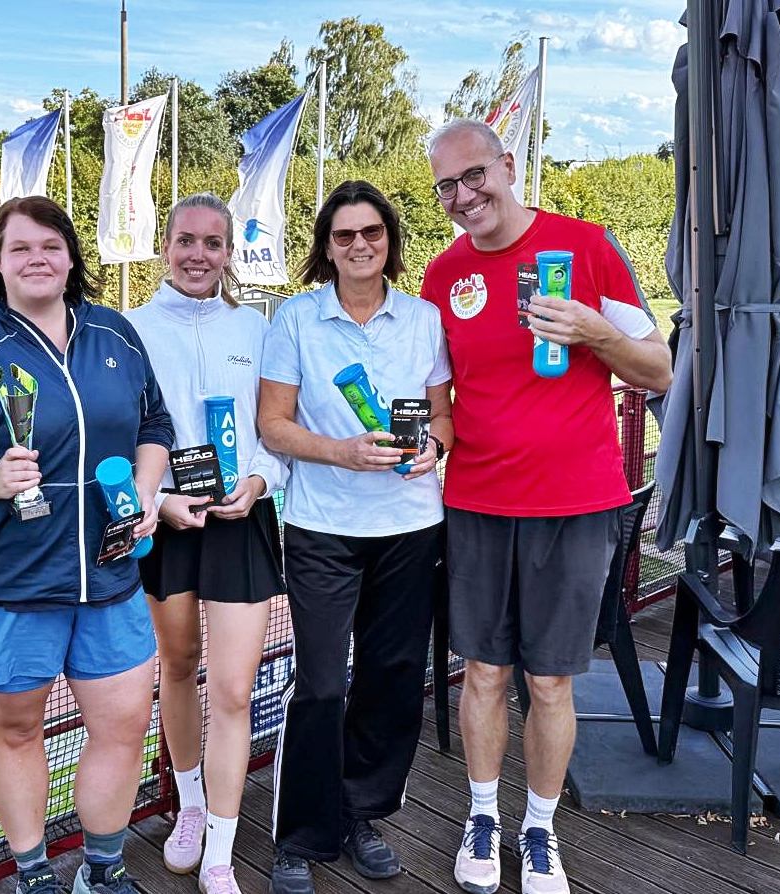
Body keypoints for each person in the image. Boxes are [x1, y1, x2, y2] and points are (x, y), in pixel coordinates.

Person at [420, 119, 672, 894]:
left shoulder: (584, 246)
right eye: (447, 188)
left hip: (575, 502)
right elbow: (438, 405)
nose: (464, 197)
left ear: (506, 165)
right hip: (477, 504)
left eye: (474, 177)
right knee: (486, 675)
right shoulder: (442, 276)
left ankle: (539, 829)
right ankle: (483, 815)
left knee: (553, 682)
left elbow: (659, 371)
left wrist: (596, 330)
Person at [0, 196, 173, 894]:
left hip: (109, 577)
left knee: (122, 727)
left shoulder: (114, 332)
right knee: (18, 731)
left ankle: (103, 868)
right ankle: (32, 873)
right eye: (20, 247)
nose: (36, 259)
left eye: (50, 246)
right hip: (12, 584)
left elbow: (155, 422)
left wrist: (146, 493)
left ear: (71, 258)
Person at [258, 180, 453, 894]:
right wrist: (341, 452)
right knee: (316, 685)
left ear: (388, 241)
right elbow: (271, 425)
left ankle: (360, 814)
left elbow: (443, 418)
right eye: (344, 235)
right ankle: (298, 836)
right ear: (326, 247)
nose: (359, 245)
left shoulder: (424, 319)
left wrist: (432, 444)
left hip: (409, 526)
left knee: (393, 677)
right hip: (321, 528)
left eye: (370, 232)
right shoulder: (295, 319)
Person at [124, 193, 288, 894]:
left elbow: (279, 429)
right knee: (179, 662)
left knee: (231, 687)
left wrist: (257, 480)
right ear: (165, 247)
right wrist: (156, 501)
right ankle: (189, 806)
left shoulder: (255, 329)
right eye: (186, 241)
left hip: (240, 519)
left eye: (212, 243)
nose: (198, 255)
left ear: (229, 252)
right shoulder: (125, 330)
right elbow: (118, 436)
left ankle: (219, 845)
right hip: (165, 523)